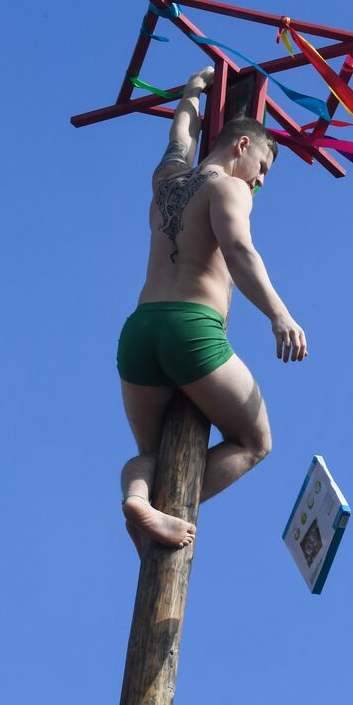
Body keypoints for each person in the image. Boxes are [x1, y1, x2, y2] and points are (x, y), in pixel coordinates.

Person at [116, 66, 308, 556]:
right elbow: (241, 252)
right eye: (263, 166)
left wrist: (191, 93)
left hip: (139, 334)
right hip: (191, 330)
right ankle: (169, 504)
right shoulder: (230, 187)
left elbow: (180, 136)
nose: (261, 180)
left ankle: (139, 501)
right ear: (242, 146)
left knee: (150, 455)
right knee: (255, 440)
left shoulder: (166, 182)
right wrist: (278, 314)